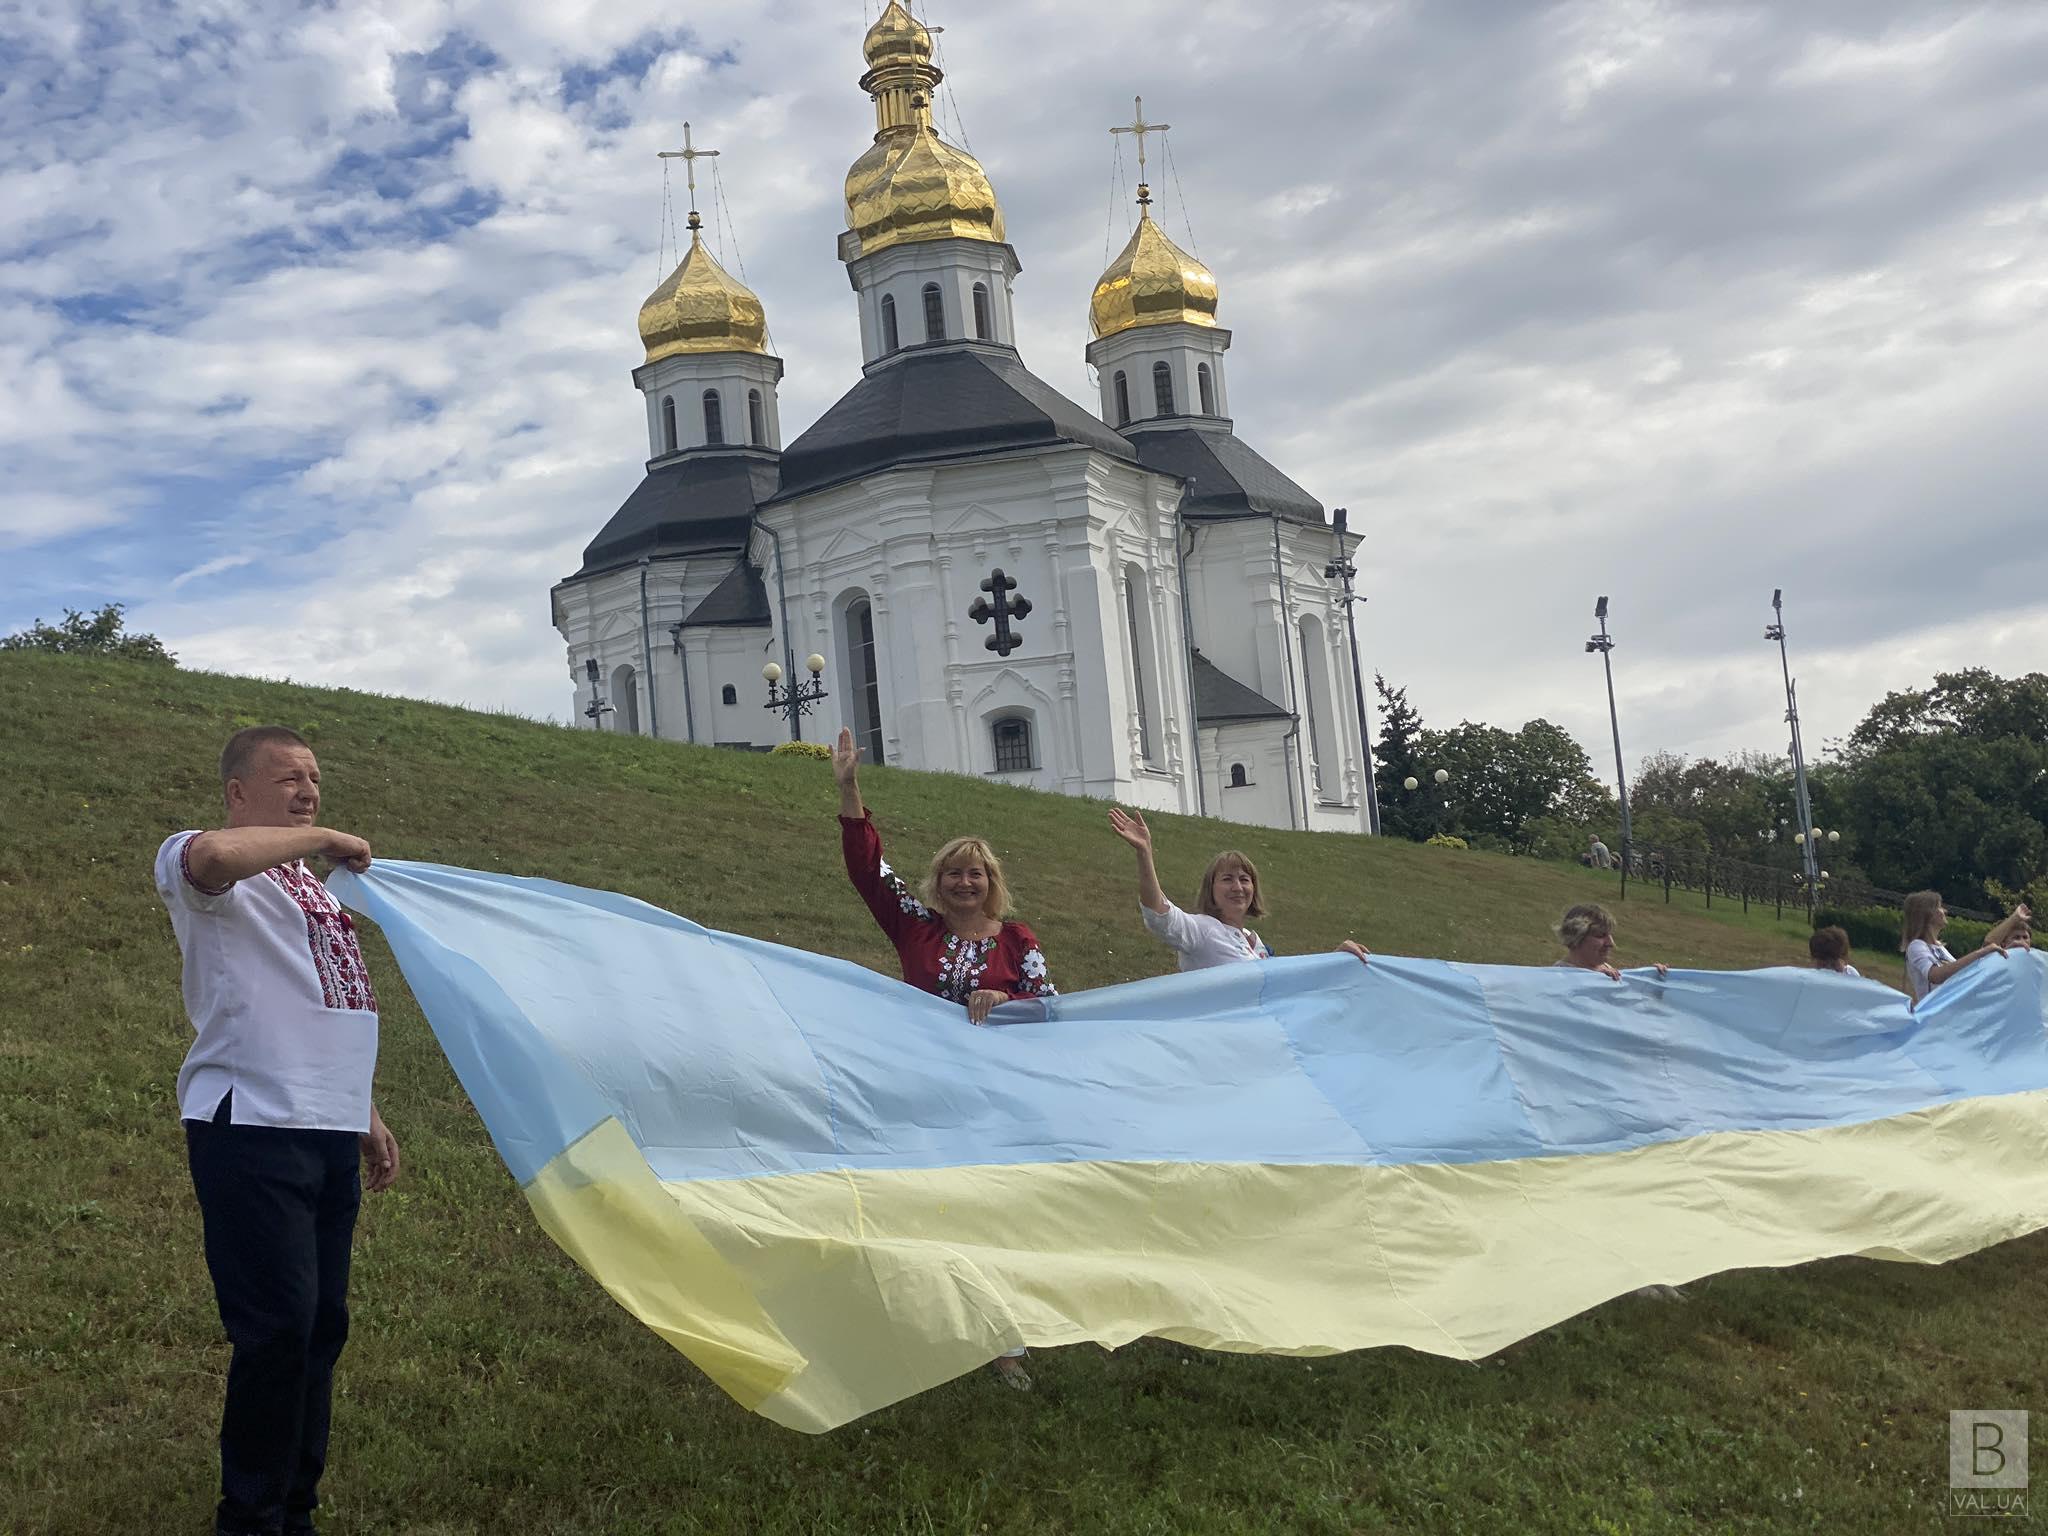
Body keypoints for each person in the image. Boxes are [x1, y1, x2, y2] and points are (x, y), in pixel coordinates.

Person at [154, 726, 400, 1536]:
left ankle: (295, 1507)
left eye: (316, 780)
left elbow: (320, 996)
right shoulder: (198, 858)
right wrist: (322, 839)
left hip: (324, 1125)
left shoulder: (315, 892)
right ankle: (249, 1516)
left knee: (322, 1326)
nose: (308, 790)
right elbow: (215, 861)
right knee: (278, 1329)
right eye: (289, 777)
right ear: (238, 793)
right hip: (248, 1123)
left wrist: (359, 1108)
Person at [832, 725, 1050, 1389]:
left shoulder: (1017, 938)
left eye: (975, 873)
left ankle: (1003, 1340)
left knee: (995, 1212)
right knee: (929, 1206)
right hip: (924, 1091)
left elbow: (1050, 1007)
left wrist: (1002, 994)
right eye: (954, 872)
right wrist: (849, 790)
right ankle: (926, 1325)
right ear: (939, 882)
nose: (964, 881)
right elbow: (869, 871)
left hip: (997, 1098)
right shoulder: (916, 928)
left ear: (991, 883)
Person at [1106, 807, 1370, 970]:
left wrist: (1336, 959)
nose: (1238, 887)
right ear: (1210, 889)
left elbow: (1289, 984)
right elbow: (1158, 914)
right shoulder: (1202, 930)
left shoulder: (1257, 944)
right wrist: (1145, 853)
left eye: (1244, 879)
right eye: (1227, 879)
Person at [1901, 891, 2034, 1004]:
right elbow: (1935, 975)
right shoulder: (1916, 946)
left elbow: (1971, 969)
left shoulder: (1940, 948)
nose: (1945, 911)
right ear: (1927, 914)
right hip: (1935, 1017)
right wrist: (1981, 953)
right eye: (1939, 907)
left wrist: (2007, 950)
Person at [1553, 902, 1668, 980]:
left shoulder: (1605, 968)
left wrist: (1654, 980)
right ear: (1576, 937)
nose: (1611, 943)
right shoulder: (1559, 976)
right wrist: (1595, 981)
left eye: (1609, 935)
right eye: (1600, 935)